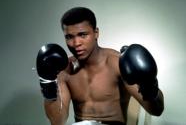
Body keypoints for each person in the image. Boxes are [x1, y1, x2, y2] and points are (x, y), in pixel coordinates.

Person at [36, 7, 164, 125]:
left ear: (96, 33)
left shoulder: (116, 63)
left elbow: (156, 110)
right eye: (69, 37)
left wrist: (149, 84)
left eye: (82, 35)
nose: (76, 43)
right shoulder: (64, 70)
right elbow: (57, 121)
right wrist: (48, 84)